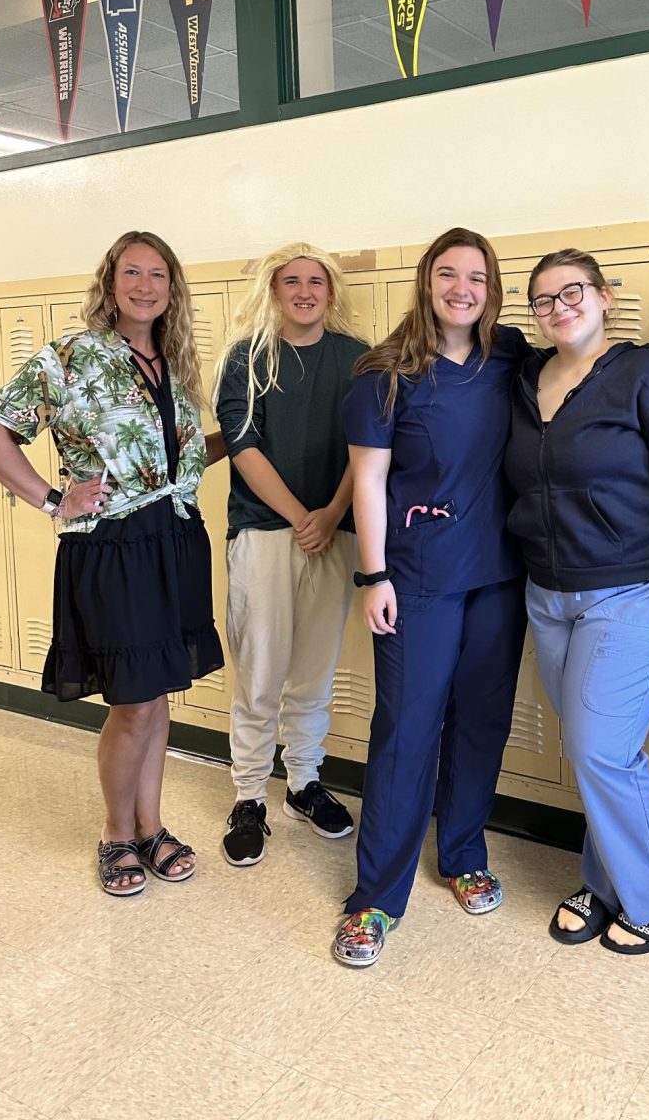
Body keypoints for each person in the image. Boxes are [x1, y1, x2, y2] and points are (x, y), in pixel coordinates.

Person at [0, 231, 225, 897]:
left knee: (159, 690)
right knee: (133, 702)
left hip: (172, 539)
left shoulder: (169, 361)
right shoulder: (71, 356)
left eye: (159, 275)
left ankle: (151, 825)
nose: (146, 286)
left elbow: (171, 462)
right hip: (111, 547)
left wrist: (257, 433)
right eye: (132, 273)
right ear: (110, 282)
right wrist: (53, 498)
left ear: (173, 289)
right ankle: (116, 833)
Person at [333, 227, 530, 968]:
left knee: (481, 723)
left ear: (492, 288)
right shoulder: (384, 376)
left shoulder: (509, 356)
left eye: (476, 277)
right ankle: (375, 898)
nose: (461, 289)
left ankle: (461, 853)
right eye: (447, 274)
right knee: (408, 731)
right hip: (415, 579)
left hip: (498, 575)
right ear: (425, 282)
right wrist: (373, 575)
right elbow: (370, 482)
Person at [503, 249, 649, 953]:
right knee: (599, 752)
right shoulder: (526, 377)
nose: (559, 308)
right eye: (542, 300)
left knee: (597, 748)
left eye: (572, 293)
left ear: (602, 295)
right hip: (546, 594)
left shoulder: (647, 376)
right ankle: (609, 878)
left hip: (629, 592)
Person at [213, 243, 369, 865]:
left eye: (316, 282)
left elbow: (369, 449)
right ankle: (249, 794)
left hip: (336, 530)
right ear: (274, 292)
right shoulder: (246, 359)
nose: (305, 292)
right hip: (264, 532)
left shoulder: (357, 359)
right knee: (259, 671)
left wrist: (331, 514)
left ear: (331, 292)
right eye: (292, 282)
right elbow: (243, 446)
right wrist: (301, 516)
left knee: (313, 671)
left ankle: (303, 783)